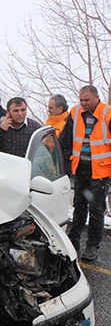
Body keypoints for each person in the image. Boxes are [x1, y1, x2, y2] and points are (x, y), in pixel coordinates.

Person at [59, 85, 111, 262]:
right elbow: (65, 139)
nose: (83, 103)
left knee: (96, 208)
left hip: (101, 170)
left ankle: (92, 245)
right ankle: (73, 242)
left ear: (97, 97)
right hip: (81, 168)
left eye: (87, 100)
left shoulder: (107, 113)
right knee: (79, 206)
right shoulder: (75, 113)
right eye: (81, 100)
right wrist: (66, 160)